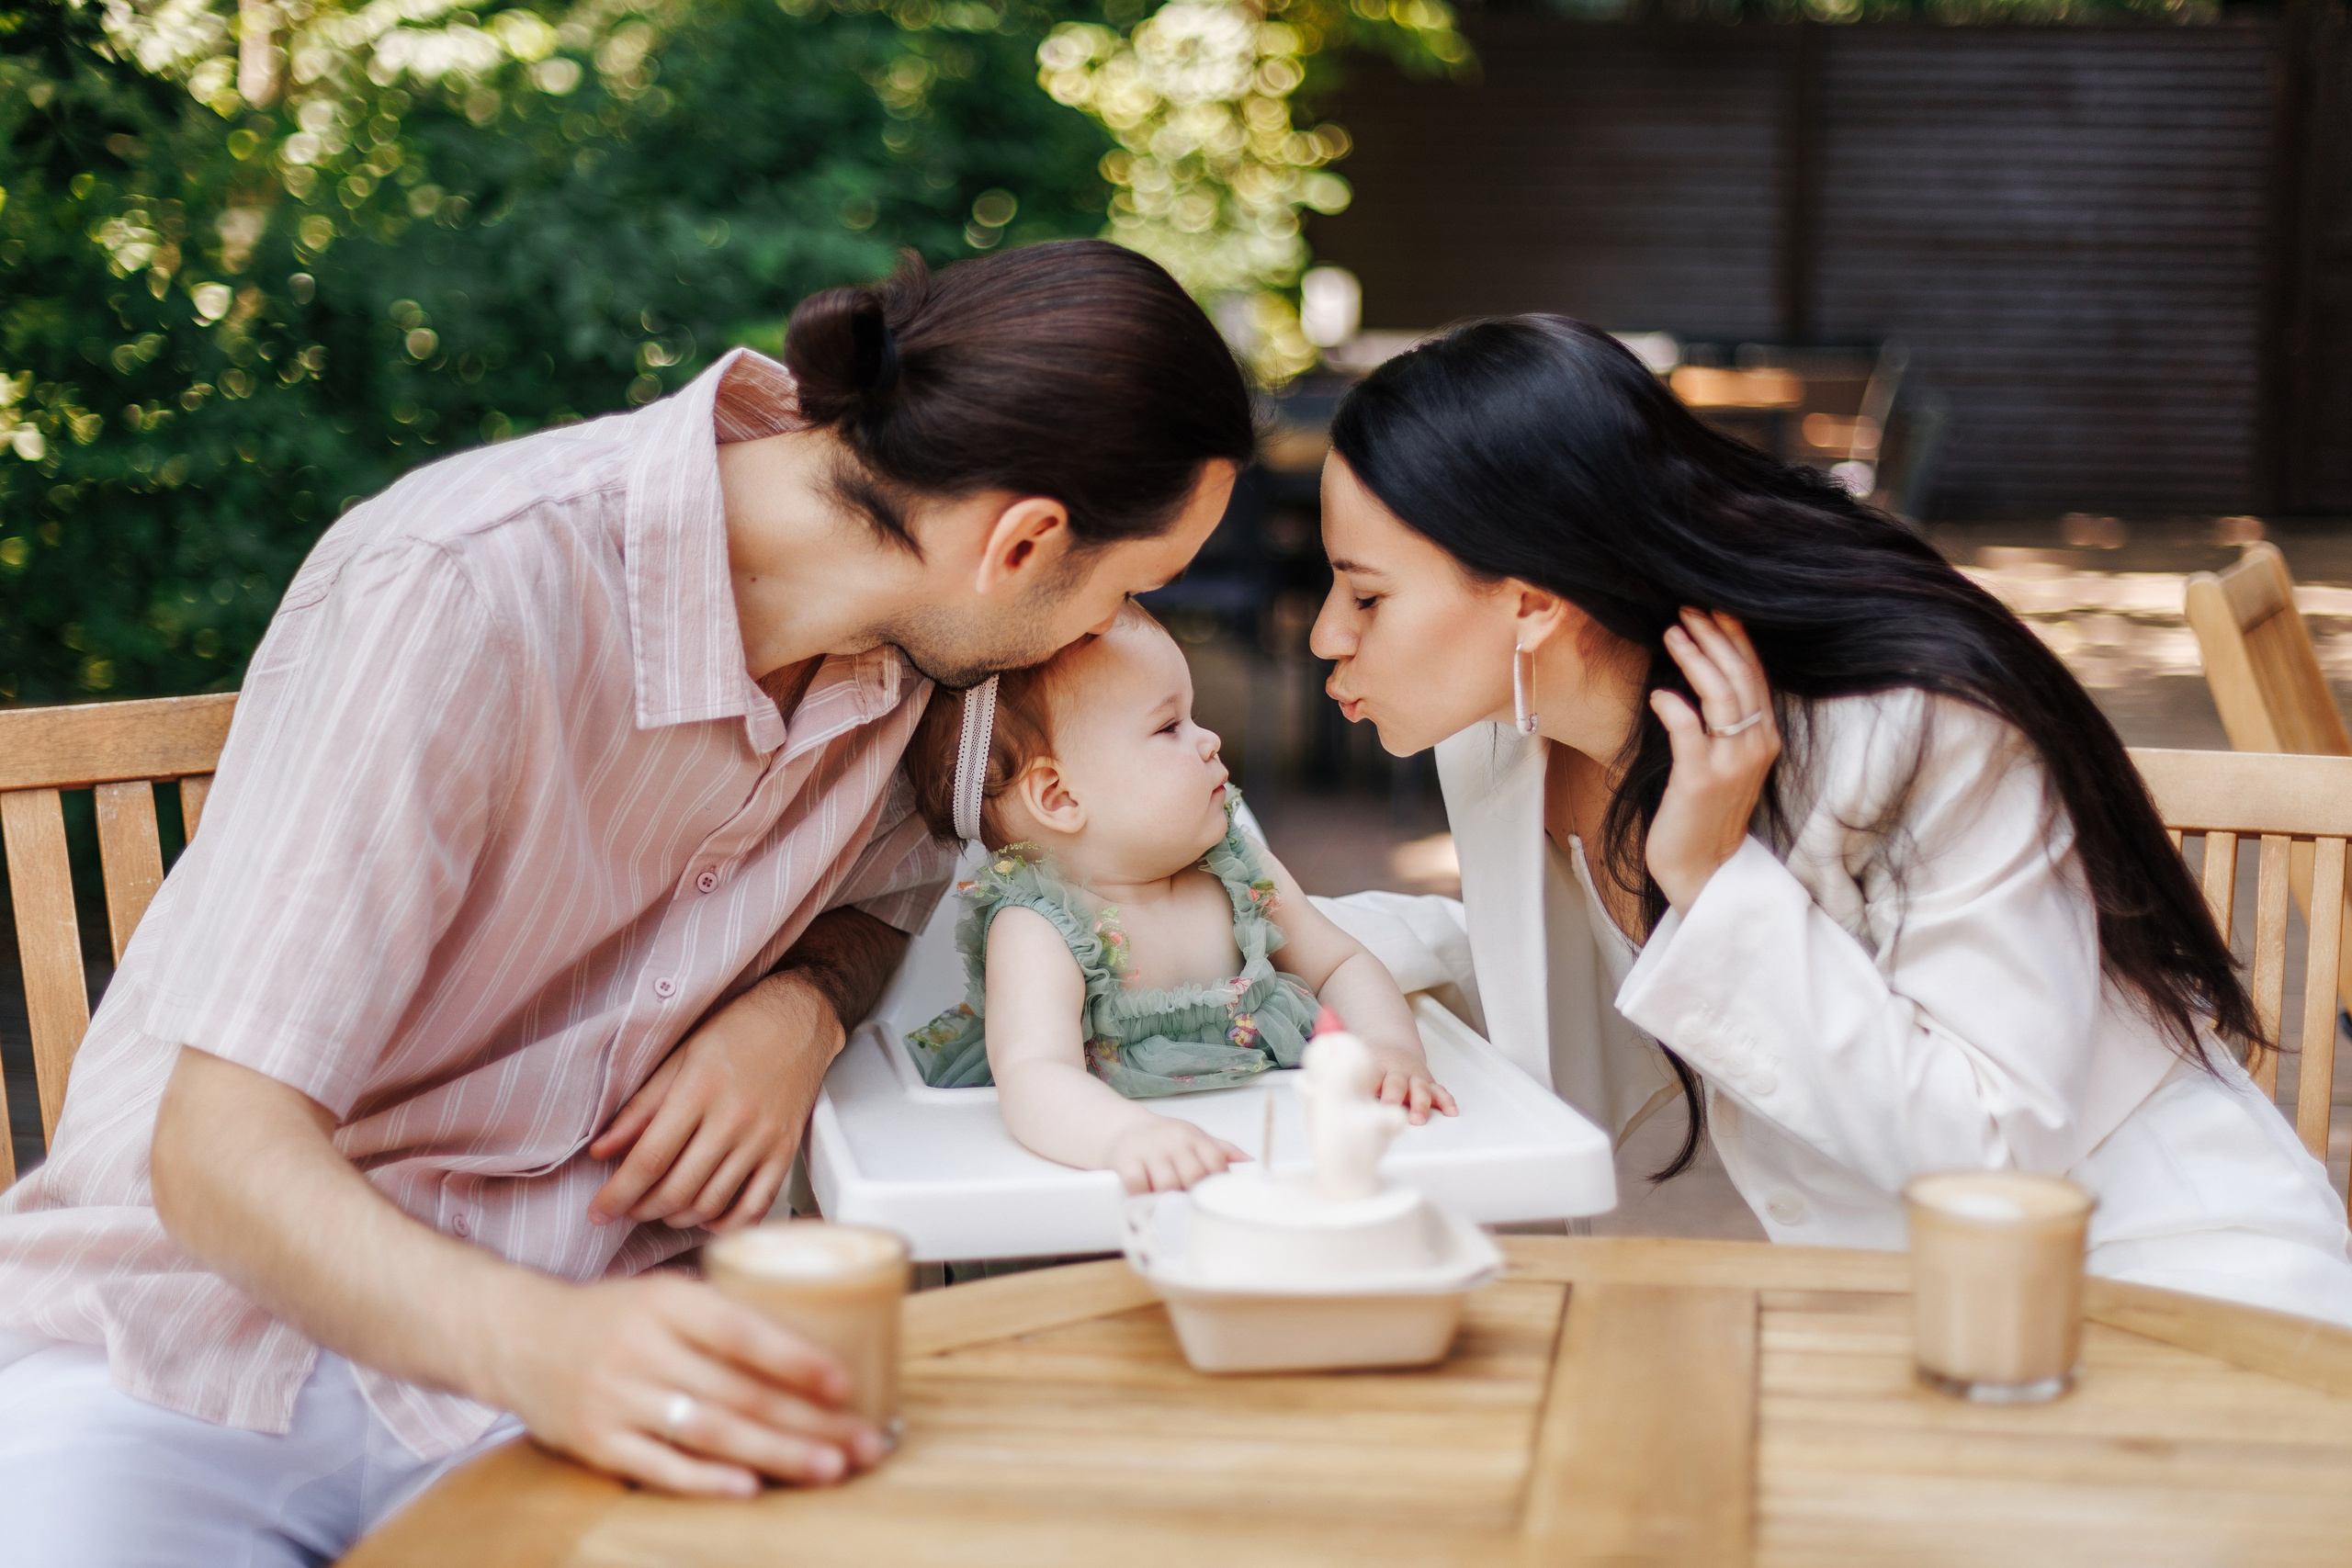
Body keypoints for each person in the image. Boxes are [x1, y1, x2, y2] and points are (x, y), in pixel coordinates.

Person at [0, 240, 1255, 1563]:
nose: (1112, 630)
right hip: (190, 1343)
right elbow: (216, 1152)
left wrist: (797, 1008)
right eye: (1131, 586)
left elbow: (893, 893)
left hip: (601, 1314)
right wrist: (545, 1349)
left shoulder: (923, 665)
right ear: (1024, 542)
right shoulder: (463, 587)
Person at [1307, 313, 2352, 1325]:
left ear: (1532, 605)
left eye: (1364, 596)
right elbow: (1556, 974)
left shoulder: (1908, 726)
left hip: (2156, 1275)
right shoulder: (1504, 733)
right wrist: (1264, 924)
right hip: (1899, 1311)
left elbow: (1992, 1150)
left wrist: (1713, 881)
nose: (1322, 635)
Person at [899, 604, 1451, 1193]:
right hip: (1107, 1191)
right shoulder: (1040, 929)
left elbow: (1342, 963)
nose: (1209, 739)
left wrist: (1387, 1047)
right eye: (1169, 727)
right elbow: (1035, 1075)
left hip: (1273, 1155)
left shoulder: (1241, 871)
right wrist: (1124, 1137)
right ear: (1059, 797)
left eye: (1193, 717)